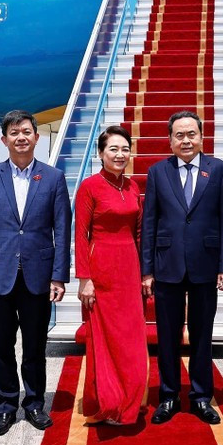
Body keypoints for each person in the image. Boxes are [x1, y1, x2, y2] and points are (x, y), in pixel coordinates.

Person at [0, 110, 71, 436]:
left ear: (36, 137)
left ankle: (35, 404)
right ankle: (5, 407)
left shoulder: (53, 178)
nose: (21, 137)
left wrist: (58, 276)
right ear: (4, 139)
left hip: (37, 276)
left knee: (35, 347)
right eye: (14, 133)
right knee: (1, 347)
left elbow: (62, 230)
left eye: (26, 131)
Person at [141, 110, 223, 425]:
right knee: (167, 336)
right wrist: (147, 270)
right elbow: (149, 222)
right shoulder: (158, 171)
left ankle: (201, 397)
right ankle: (168, 396)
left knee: (202, 335)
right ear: (170, 140)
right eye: (179, 135)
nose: (186, 140)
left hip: (205, 264)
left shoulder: (219, 170)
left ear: (201, 137)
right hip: (167, 264)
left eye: (191, 134)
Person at [74, 126, 148, 425]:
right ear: (101, 153)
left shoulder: (132, 187)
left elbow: (139, 233)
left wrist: (144, 273)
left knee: (130, 339)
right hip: (101, 268)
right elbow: (81, 235)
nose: (120, 155)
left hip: (129, 268)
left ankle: (130, 400)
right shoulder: (89, 187)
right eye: (113, 149)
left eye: (124, 149)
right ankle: (109, 402)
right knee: (105, 340)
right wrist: (84, 278)